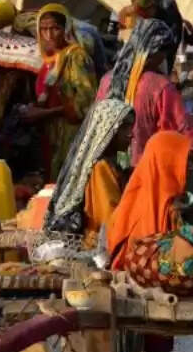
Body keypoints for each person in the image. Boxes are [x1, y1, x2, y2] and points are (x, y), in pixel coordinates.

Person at [97, 18, 193, 166]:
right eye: (163, 53)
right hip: (146, 172)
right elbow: (183, 134)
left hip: (107, 168)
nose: (163, 59)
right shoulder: (159, 86)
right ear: (155, 52)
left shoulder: (106, 80)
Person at [22, 3, 98, 181]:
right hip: (50, 136)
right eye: (43, 29)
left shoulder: (76, 57)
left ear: (66, 29)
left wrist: (44, 113)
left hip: (70, 136)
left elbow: (85, 103)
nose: (48, 35)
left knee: (67, 182)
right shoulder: (48, 62)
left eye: (55, 28)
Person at [44, 99, 135, 245]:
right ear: (107, 130)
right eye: (124, 128)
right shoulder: (101, 168)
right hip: (102, 247)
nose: (131, 134)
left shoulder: (111, 165)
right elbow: (111, 220)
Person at [105, 129, 193, 271]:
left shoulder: (167, 203)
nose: (188, 167)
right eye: (183, 161)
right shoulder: (143, 215)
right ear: (166, 163)